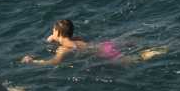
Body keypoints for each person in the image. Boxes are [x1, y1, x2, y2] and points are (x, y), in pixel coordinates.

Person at [21, 19, 166, 66]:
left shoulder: (63, 49)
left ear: (58, 33)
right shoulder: (77, 39)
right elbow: (67, 38)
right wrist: (55, 39)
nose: (51, 34)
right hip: (106, 44)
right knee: (133, 45)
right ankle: (154, 47)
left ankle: (151, 53)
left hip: (105, 52)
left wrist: (33, 61)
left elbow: (53, 62)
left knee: (137, 59)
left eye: (53, 31)